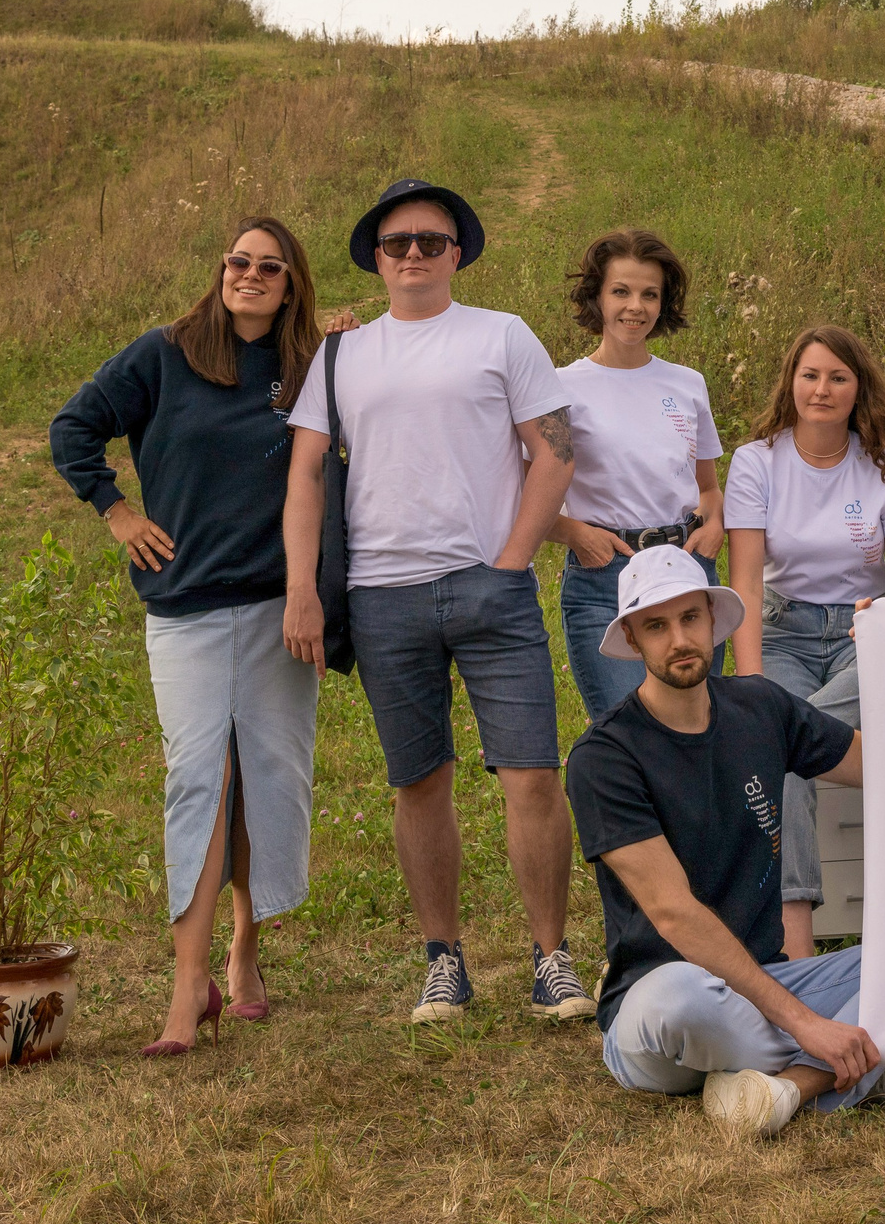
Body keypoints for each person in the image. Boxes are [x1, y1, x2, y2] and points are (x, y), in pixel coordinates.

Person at [281, 179, 590, 1026]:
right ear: (376, 260)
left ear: (458, 253)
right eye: (397, 243)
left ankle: (551, 957)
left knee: (532, 774)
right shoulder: (339, 356)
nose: (413, 253)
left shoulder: (502, 334)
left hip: (493, 590)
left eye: (430, 241)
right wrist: (303, 587)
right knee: (418, 781)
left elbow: (556, 452)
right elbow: (306, 473)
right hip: (382, 596)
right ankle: (442, 960)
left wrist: (513, 558)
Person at [51, 216, 323, 1056]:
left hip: (279, 608)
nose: (250, 275)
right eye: (239, 261)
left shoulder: (306, 366)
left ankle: (245, 951)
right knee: (198, 780)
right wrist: (116, 511)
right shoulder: (163, 354)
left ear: (290, 284)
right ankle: (186, 984)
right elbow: (73, 427)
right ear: (221, 269)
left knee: (265, 780)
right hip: (185, 608)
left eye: (269, 267)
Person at [565, 547, 885, 1138]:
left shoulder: (760, 706)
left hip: (766, 980)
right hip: (666, 1004)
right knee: (681, 998)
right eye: (656, 626)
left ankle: (793, 1087)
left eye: (690, 618)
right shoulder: (604, 757)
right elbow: (673, 913)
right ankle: (869, 1057)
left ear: (713, 620)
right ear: (633, 640)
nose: (679, 640)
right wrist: (806, 1023)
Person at [726, 326, 885, 958]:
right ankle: (796, 951)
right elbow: (746, 584)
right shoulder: (756, 462)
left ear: (858, 388)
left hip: (864, 631)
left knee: (784, 739)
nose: (822, 389)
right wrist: (752, 685)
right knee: (776, 743)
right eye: (810, 375)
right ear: (791, 382)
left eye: (838, 377)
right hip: (782, 632)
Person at [548, 229, 726, 727]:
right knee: (629, 734)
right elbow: (523, 495)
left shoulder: (687, 384)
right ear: (597, 297)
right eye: (621, 291)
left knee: (696, 724)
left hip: (687, 570)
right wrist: (575, 533)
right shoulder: (560, 388)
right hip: (605, 576)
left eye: (650, 294)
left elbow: (708, 488)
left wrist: (714, 525)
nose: (635, 307)